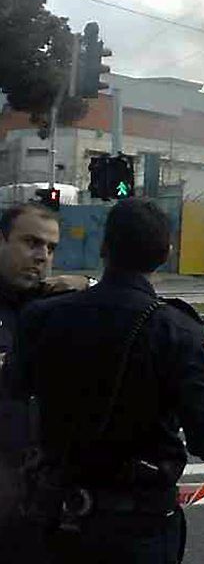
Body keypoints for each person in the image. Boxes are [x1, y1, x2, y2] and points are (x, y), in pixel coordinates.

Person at [6, 199, 204, 563]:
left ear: (104, 247)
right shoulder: (177, 330)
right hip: (136, 530)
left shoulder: (41, 318)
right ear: (165, 254)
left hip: (53, 518)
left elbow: (14, 397)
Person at [0, 203, 90, 559]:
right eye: (31, 243)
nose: (42, 257)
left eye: (50, 248)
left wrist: (88, 283)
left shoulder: (55, 307)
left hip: (46, 498)